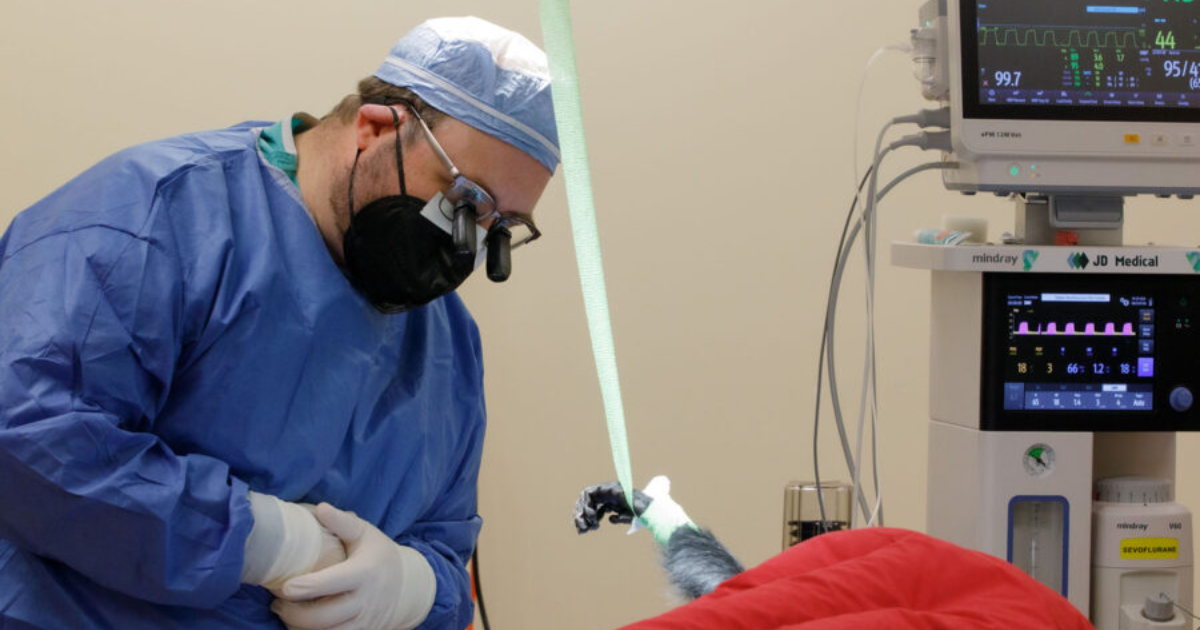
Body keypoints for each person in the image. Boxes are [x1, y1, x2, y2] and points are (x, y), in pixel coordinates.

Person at [0, 16, 557, 630]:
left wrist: (413, 588)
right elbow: (27, 435)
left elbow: (447, 548)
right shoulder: (158, 214)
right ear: (375, 128)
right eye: (465, 204)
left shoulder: (448, 343)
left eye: (498, 229)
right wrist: (267, 541)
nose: (467, 245)